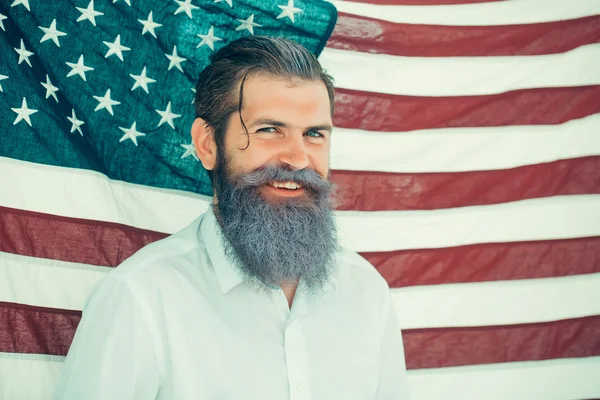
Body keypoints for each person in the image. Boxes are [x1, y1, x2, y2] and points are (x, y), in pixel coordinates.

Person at [53, 36, 410, 400]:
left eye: (314, 134)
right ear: (207, 145)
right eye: (269, 130)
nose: (299, 159)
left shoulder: (367, 292)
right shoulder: (139, 298)